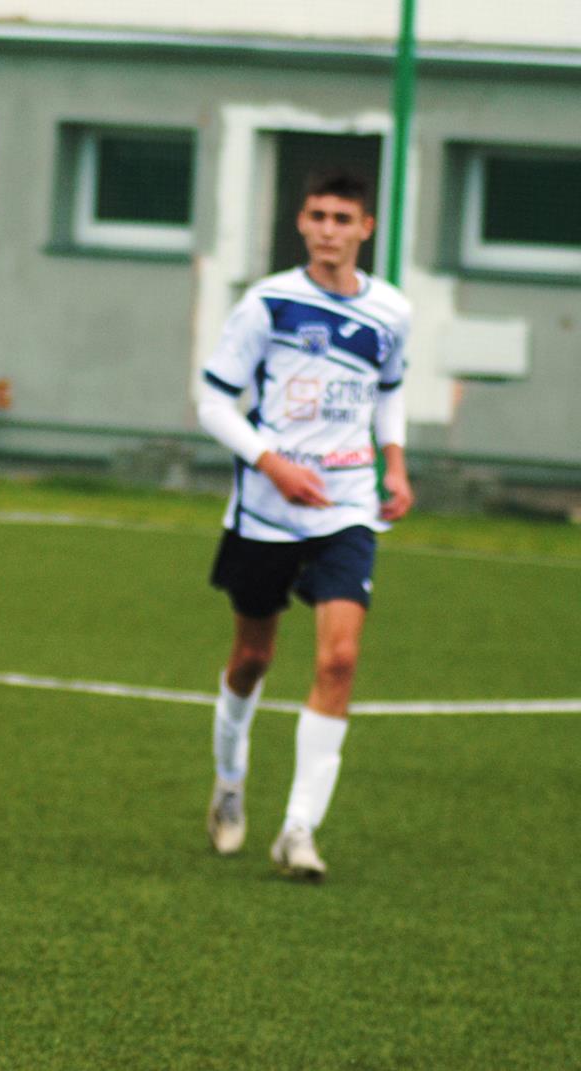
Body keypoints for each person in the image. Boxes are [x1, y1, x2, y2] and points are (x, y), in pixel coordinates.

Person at [197, 169, 413, 882]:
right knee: (252, 658)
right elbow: (212, 403)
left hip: (348, 506)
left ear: (365, 228)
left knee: (339, 659)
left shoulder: (390, 311)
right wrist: (270, 461)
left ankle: (298, 829)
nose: (329, 228)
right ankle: (230, 782)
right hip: (267, 508)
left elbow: (389, 393)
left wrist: (396, 465)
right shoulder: (268, 303)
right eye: (318, 215)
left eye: (343, 217)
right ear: (301, 222)